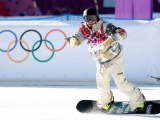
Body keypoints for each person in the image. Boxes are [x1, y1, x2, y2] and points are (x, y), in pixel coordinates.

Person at [65, 8, 146, 114]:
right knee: (101, 81)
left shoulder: (104, 26)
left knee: (121, 84)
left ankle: (139, 101)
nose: (90, 21)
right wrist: (73, 40)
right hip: (101, 61)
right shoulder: (84, 28)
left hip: (115, 57)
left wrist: (110, 39)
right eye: (87, 18)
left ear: (97, 17)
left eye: (92, 18)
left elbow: (123, 33)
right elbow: (78, 37)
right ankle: (106, 102)